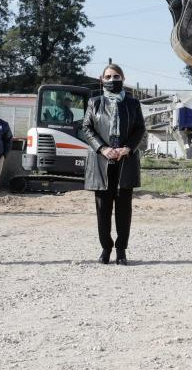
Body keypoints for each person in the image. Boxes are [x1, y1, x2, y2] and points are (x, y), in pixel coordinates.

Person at [81, 64, 146, 265]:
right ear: (102, 79)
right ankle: (105, 248)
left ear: (123, 78)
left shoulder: (133, 104)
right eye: (108, 76)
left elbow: (140, 129)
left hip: (125, 160)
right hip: (102, 162)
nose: (112, 79)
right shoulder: (95, 102)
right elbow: (86, 127)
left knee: (124, 210)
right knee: (103, 209)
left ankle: (121, 251)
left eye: (116, 76)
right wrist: (102, 148)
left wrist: (128, 148)